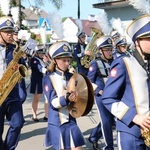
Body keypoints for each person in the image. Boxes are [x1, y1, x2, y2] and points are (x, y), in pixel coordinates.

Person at [101, 14, 150, 150]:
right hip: (131, 132)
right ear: (137, 42)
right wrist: (134, 117)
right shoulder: (123, 63)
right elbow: (108, 98)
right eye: (149, 38)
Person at [42, 41, 85, 150]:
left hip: (71, 120)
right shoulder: (48, 78)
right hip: (57, 121)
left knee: (78, 148)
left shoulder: (72, 76)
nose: (67, 63)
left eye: (68, 60)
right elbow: (53, 102)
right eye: (64, 60)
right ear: (55, 60)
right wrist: (66, 98)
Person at [0, 16, 26, 150]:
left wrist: (20, 64)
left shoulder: (15, 49)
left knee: (18, 123)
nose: (10, 35)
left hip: (12, 93)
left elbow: (23, 67)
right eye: (7, 32)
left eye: (11, 32)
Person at [87, 35, 114, 150]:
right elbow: (89, 81)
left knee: (110, 121)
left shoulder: (115, 61)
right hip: (101, 97)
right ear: (100, 51)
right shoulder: (95, 63)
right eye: (107, 49)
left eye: (110, 49)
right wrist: (99, 90)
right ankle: (109, 147)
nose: (109, 52)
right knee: (106, 121)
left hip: (113, 96)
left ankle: (93, 136)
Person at [30, 44, 48, 122]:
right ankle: (34, 115)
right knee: (36, 98)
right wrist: (47, 69)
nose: (42, 54)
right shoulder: (34, 60)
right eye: (40, 53)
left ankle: (46, 115)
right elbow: (39, 68)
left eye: (43, 53)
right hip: (37, 81)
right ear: (37, 52)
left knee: (47, 98)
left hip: (45, 81)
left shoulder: (43, 60)